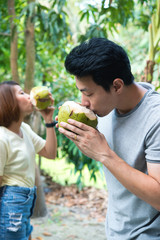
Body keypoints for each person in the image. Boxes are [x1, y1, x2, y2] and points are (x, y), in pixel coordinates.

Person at [57, 38, 160, 239]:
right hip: (115, 231)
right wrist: (81, 138)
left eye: (89, 94)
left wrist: (104, 155)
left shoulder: (155, 118)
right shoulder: (104, 110)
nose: (84, 103)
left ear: (117, 86)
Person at [0, 81, 57, 240]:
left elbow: (50, 152)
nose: (28, 95)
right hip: (12, 200)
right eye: (21, 93)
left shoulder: (24, 129)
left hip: (26, 198)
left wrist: (48, 120)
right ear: (8, 101)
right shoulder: (2, 137)